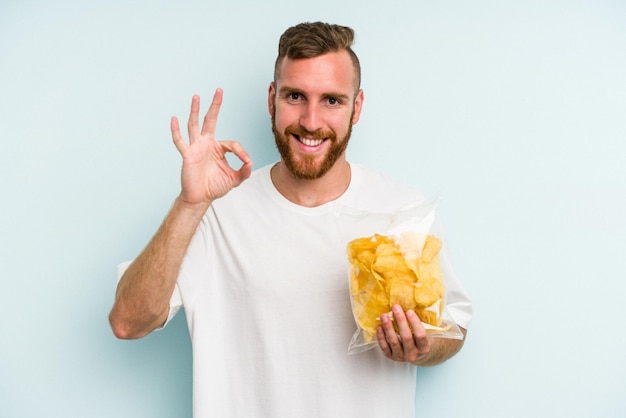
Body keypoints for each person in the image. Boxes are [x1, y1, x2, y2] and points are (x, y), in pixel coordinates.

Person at [109, 22, 472, 418]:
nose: (312, 121)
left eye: (332, 100)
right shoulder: (217, 210)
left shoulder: (402, 210)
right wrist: (190, 203)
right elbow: (128, 322)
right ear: (272, 99)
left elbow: (453, 329)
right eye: (295, 96)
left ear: (358, 106)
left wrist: (423, 346)